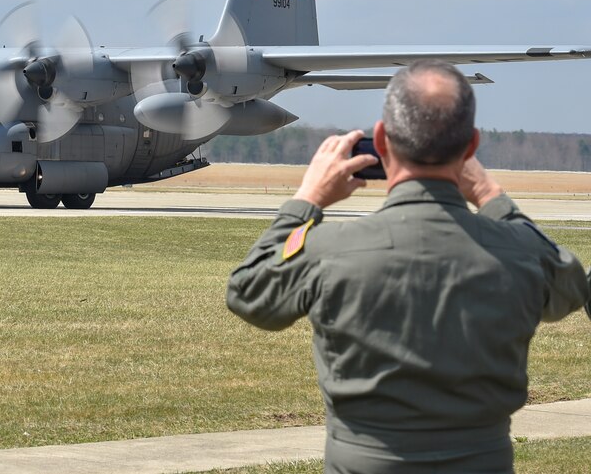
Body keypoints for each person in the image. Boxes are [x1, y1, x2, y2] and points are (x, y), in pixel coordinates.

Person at [226, 60, 590, 473]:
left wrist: (306, 201)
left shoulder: (328, 249)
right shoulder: (519, 251)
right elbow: (571, 284)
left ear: (380, 140)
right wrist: (492, 197)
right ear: (470, 146)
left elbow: (249, 293)